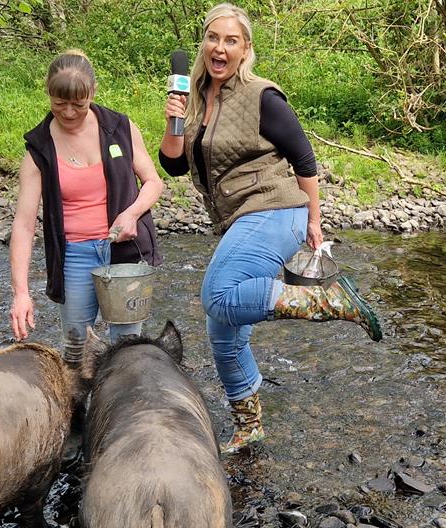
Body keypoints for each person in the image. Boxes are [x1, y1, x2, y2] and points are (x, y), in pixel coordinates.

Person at [159, 3, 383, 454]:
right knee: (222, 328)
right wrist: (174, 120)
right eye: (213, 38)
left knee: (217, 296)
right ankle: (249, 426)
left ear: (245, 50)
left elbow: (305, 161)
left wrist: (315, 223)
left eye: (231, 40)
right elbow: (173, 164)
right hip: (238, 219)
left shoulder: (262, 96)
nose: (220, 48)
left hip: (277, 209)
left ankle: (327, 299)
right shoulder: (197, 98)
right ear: (204, 44)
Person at [10, 50, 164, 363]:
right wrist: (21, 293)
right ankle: (81, 411)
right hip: (75, 256)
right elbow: (24, 225)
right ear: (48, 95)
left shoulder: (119, 128)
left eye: (78, 105)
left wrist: (132, 213)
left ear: (92, 93)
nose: (68, 112)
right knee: (76, 348)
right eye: (59, 104)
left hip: (124, 252)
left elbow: (153, 182)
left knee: (127, 349)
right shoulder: (39, 149)